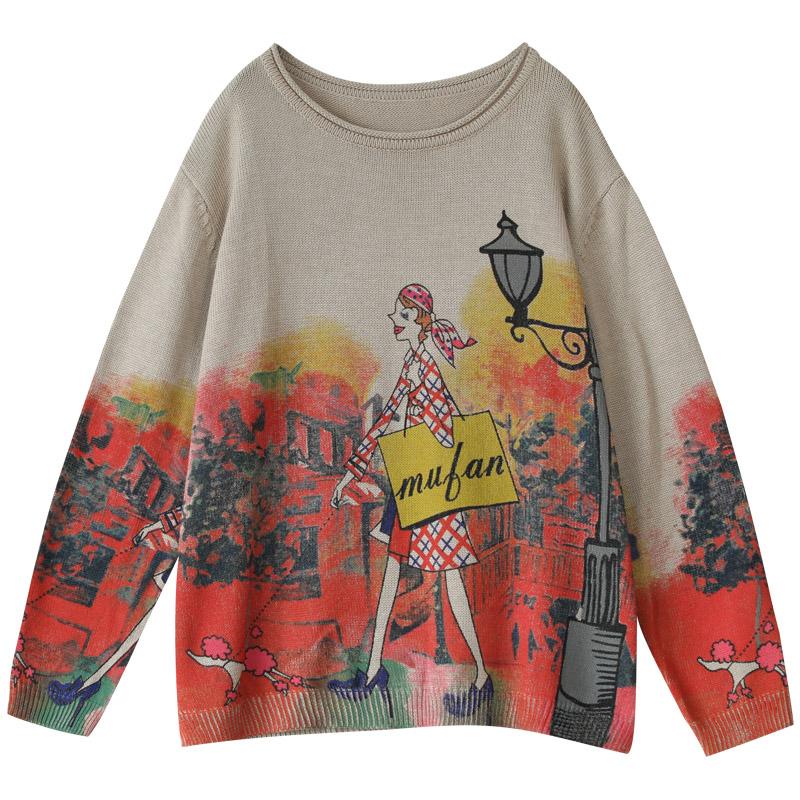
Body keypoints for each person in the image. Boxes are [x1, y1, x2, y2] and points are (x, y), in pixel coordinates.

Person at [329, 283, 492, 717]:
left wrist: (419, 418)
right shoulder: (413, 363)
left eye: (401, 315)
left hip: (432, 486)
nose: (393, 320)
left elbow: (445, 428)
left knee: (451, 580)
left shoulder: (425, 368)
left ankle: (480, 675)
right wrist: (352, 473)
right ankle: (373, 671)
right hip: (413, 484)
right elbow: (386, 421)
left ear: (419, 321)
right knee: (394, 577)